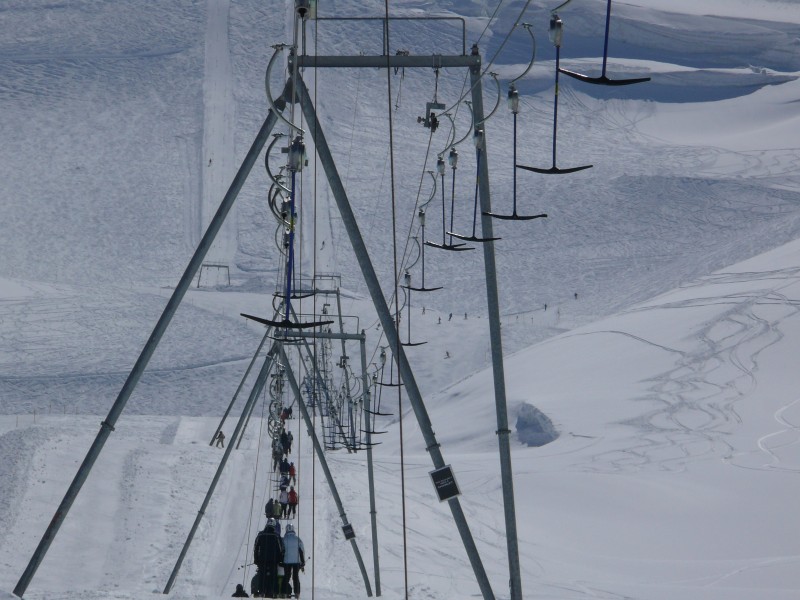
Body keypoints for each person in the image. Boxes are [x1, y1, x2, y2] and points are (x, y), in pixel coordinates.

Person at [254, 519, 283, 599]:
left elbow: (256, 548)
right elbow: (280, 549)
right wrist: (280, 559)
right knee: (273, 576)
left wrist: (256, 559)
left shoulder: (260, 535)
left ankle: (262, 591)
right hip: (273, 560)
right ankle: (271, 592)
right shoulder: (276, 536)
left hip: (262, 559)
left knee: (262, 575)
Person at [282, 523, 305, 599]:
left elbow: (282, 551)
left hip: (286, 561)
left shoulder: (284, 539)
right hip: (296, 562)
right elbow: (301, 551)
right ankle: (297, 593)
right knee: (295, 577)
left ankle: (284, 592)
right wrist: (302, 562)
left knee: (286, 577)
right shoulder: (298, 539)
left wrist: (281, 561)